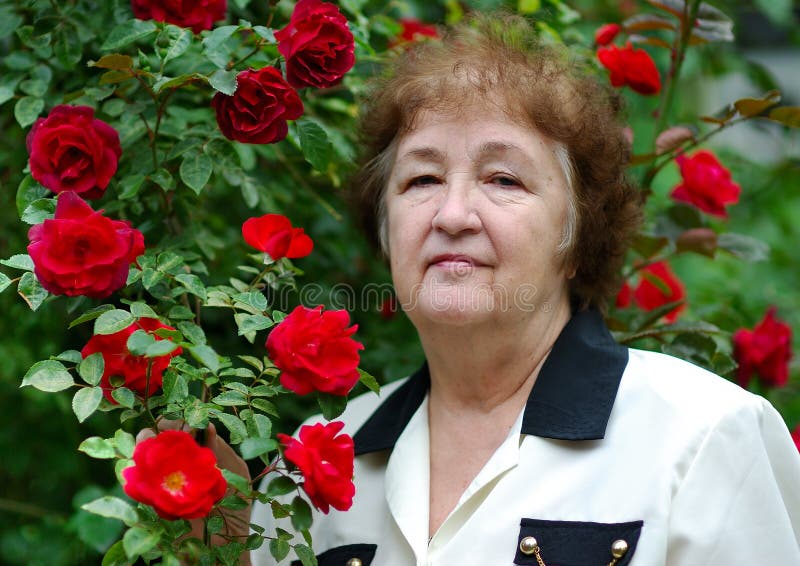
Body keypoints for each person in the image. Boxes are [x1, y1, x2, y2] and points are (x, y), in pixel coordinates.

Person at [216, 14, 800, 565]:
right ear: (386, 230)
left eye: (503, 179)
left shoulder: (702, 437)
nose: (452, 214)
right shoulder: (314, 467)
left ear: (577, 238)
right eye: (422, 178)